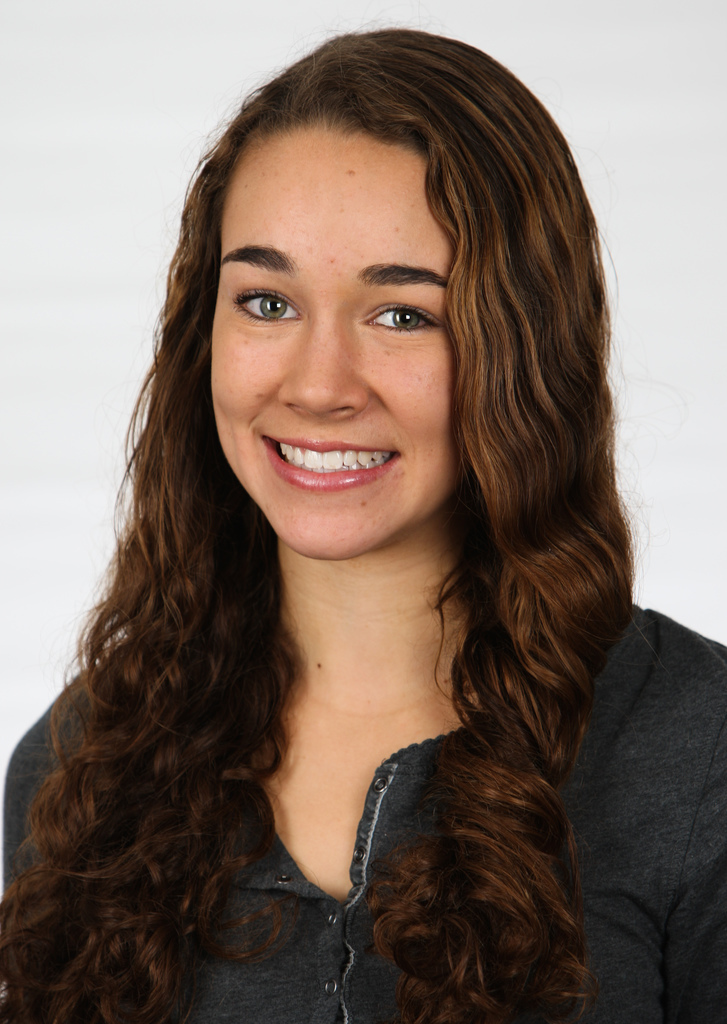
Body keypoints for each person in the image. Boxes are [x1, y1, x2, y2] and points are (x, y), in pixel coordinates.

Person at [1, 27, 726, 1024]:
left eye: (401, 314)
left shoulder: (700, 751)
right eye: (266, 302)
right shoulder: (78, 762)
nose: (317, 386)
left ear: (526, 344)